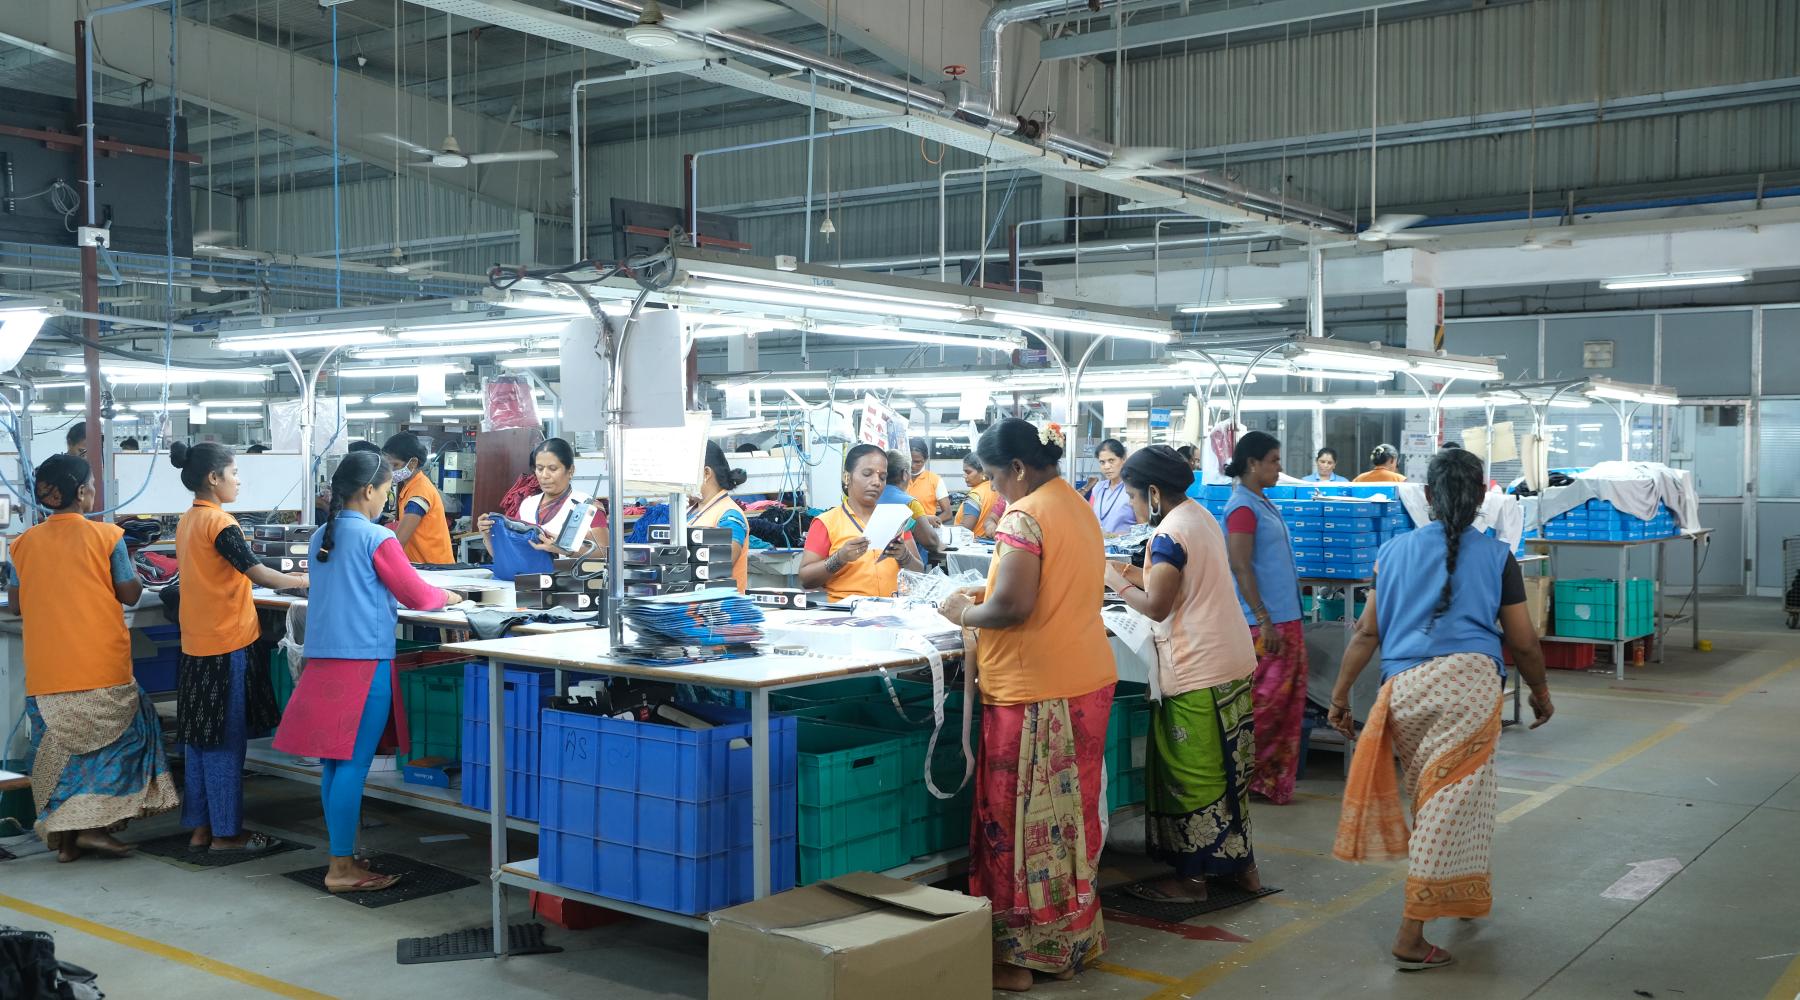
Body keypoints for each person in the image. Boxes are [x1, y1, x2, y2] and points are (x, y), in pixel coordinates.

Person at [1329, 446, 1554, 971]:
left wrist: (1339, 698)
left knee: (1436, 801)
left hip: (1404, 691)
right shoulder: (1498, 556)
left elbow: (1367, 633)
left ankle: (1462, 897)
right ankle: (1411, 932)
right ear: (1481, 497)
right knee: (1448, 809)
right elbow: (1523, 643)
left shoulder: (1394, 551)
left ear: (1426, 496)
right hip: (1471, 693)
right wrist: (1540, 694)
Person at [935, 419, 1114, 991]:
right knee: (1070, 822)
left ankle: (1018, 959)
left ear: (1015, 468)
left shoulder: (1025, 513)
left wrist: (962, 613)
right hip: (1081, 679)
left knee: (1019, 822)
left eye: (993, 477)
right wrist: (984, 594)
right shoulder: (1076, 503)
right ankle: (1071, 939)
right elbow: (1052, 584)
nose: (994, 490)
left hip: (1035, 689)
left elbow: (1013, 606)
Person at [272, 451, 461, 893]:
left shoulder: (324, 533)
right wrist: (449, 597)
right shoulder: (378, 538)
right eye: (386, 491)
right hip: (362, 665)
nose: (387, 499)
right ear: (368, 491)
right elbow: (418, 596)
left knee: (334, 766)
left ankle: (342, 855)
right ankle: (340, 869)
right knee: (354, 766)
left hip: (323, 662)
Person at [1104, 445, 1261, 904]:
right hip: (1231, 661)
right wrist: (1129, 569)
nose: (1133, 508)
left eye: (1133, 498)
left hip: (1198, 667)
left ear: (1153, 493)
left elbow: (1156, 604)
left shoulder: (1169, 533)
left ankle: (1192, 880)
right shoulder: (1199, 516)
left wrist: (1112, 580)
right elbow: (1176, 576)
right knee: (1229, 770)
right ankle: (1244, 870)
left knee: (1191, 773)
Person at [7, 454, 179, 862]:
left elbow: (16, 604)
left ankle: (68, 842)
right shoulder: (107, 537)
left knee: (62, 753)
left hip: (48, 670)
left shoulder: (21, 543)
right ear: (82, 493)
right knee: (124, 742)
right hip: (100, 663)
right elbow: (130, 593)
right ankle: (96, 829)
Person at [170, 442, 307, 852]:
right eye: (234, 473)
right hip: (225, 645)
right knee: (226, 742)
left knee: (199, 739)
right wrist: (305, 581)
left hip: (195, 644)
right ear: (214, 478)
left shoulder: (188, 520)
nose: (239, 481)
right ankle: (227, 833)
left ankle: (200, 827)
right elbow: (257, 570)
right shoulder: (220, 522)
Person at [1221, 431, 1307, 805]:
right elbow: (1240, 565)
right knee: (1265, 704)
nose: (1279, 467)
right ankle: (1247, 776)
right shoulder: (1243, 507)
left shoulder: (1262, 502)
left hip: (1286, 617)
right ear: (1252, 463)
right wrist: (1263, 617)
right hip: (1265, 623)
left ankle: (1270, 781)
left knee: (1287, 704)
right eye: (1273, 460)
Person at [799, 445, 923, 603]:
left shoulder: (895, 519)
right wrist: (839, 558)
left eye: (882, 477)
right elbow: (806, 579)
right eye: (867, 474)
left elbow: (919, 573)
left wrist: (904, 556)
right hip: (847, 616)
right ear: (847, 477)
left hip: (891, 614)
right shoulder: (826, 522)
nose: (876, 482)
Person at [478, 438, 606, 560]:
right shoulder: (527, 505)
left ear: (570, 471)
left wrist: (564, 550)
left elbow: (604, 551)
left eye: (552, 469)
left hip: (567, 580)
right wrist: (487, 535)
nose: (544, 475)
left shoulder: (586, 505)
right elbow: (506, 556)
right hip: (528, 579)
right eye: (539, 469)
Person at [383, 432, 455, 565]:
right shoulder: (410, 486)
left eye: (395, 465)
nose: (391, 471)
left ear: (413, 462)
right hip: (423, 566)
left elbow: (399, 540)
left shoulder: (420, 491)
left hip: (436, 568)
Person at [690, 441, 751, 592]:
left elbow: (720, 566)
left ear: (707, 473)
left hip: (721, 610)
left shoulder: (730, 515)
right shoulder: (691, 510)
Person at [885, 448, 945, 556]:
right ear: (904, 474)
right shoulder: (910, 503)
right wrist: (942, 545)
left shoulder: (870, 498)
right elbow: (931, 542)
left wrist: (925, 518)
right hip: (903, 565)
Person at [1087, 439, 1137, 535]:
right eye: (1102, 462)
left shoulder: (1134, 488)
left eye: (1111, 461)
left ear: (1123, 459)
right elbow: (1089, 519)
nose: (1106, 467)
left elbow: (1143, 528)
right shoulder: (1098, 488)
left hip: (1125, 548)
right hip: (1099, 547)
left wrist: (1112, 536)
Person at [955, 452, 1002, 539]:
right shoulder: (999, 490)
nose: (964, 476)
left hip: (972, 546)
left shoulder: (975, 496)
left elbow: (965, 529)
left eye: (968, 472)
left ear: (983, 472)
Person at [906, 438, 951, 518]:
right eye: (910, 461)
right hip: (902, 530)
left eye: (917, 462)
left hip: (925, 529)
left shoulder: (935, 480)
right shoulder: (898, 479)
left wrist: (930, 523)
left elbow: (947, 513)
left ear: (926, 459)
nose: (912, 465)